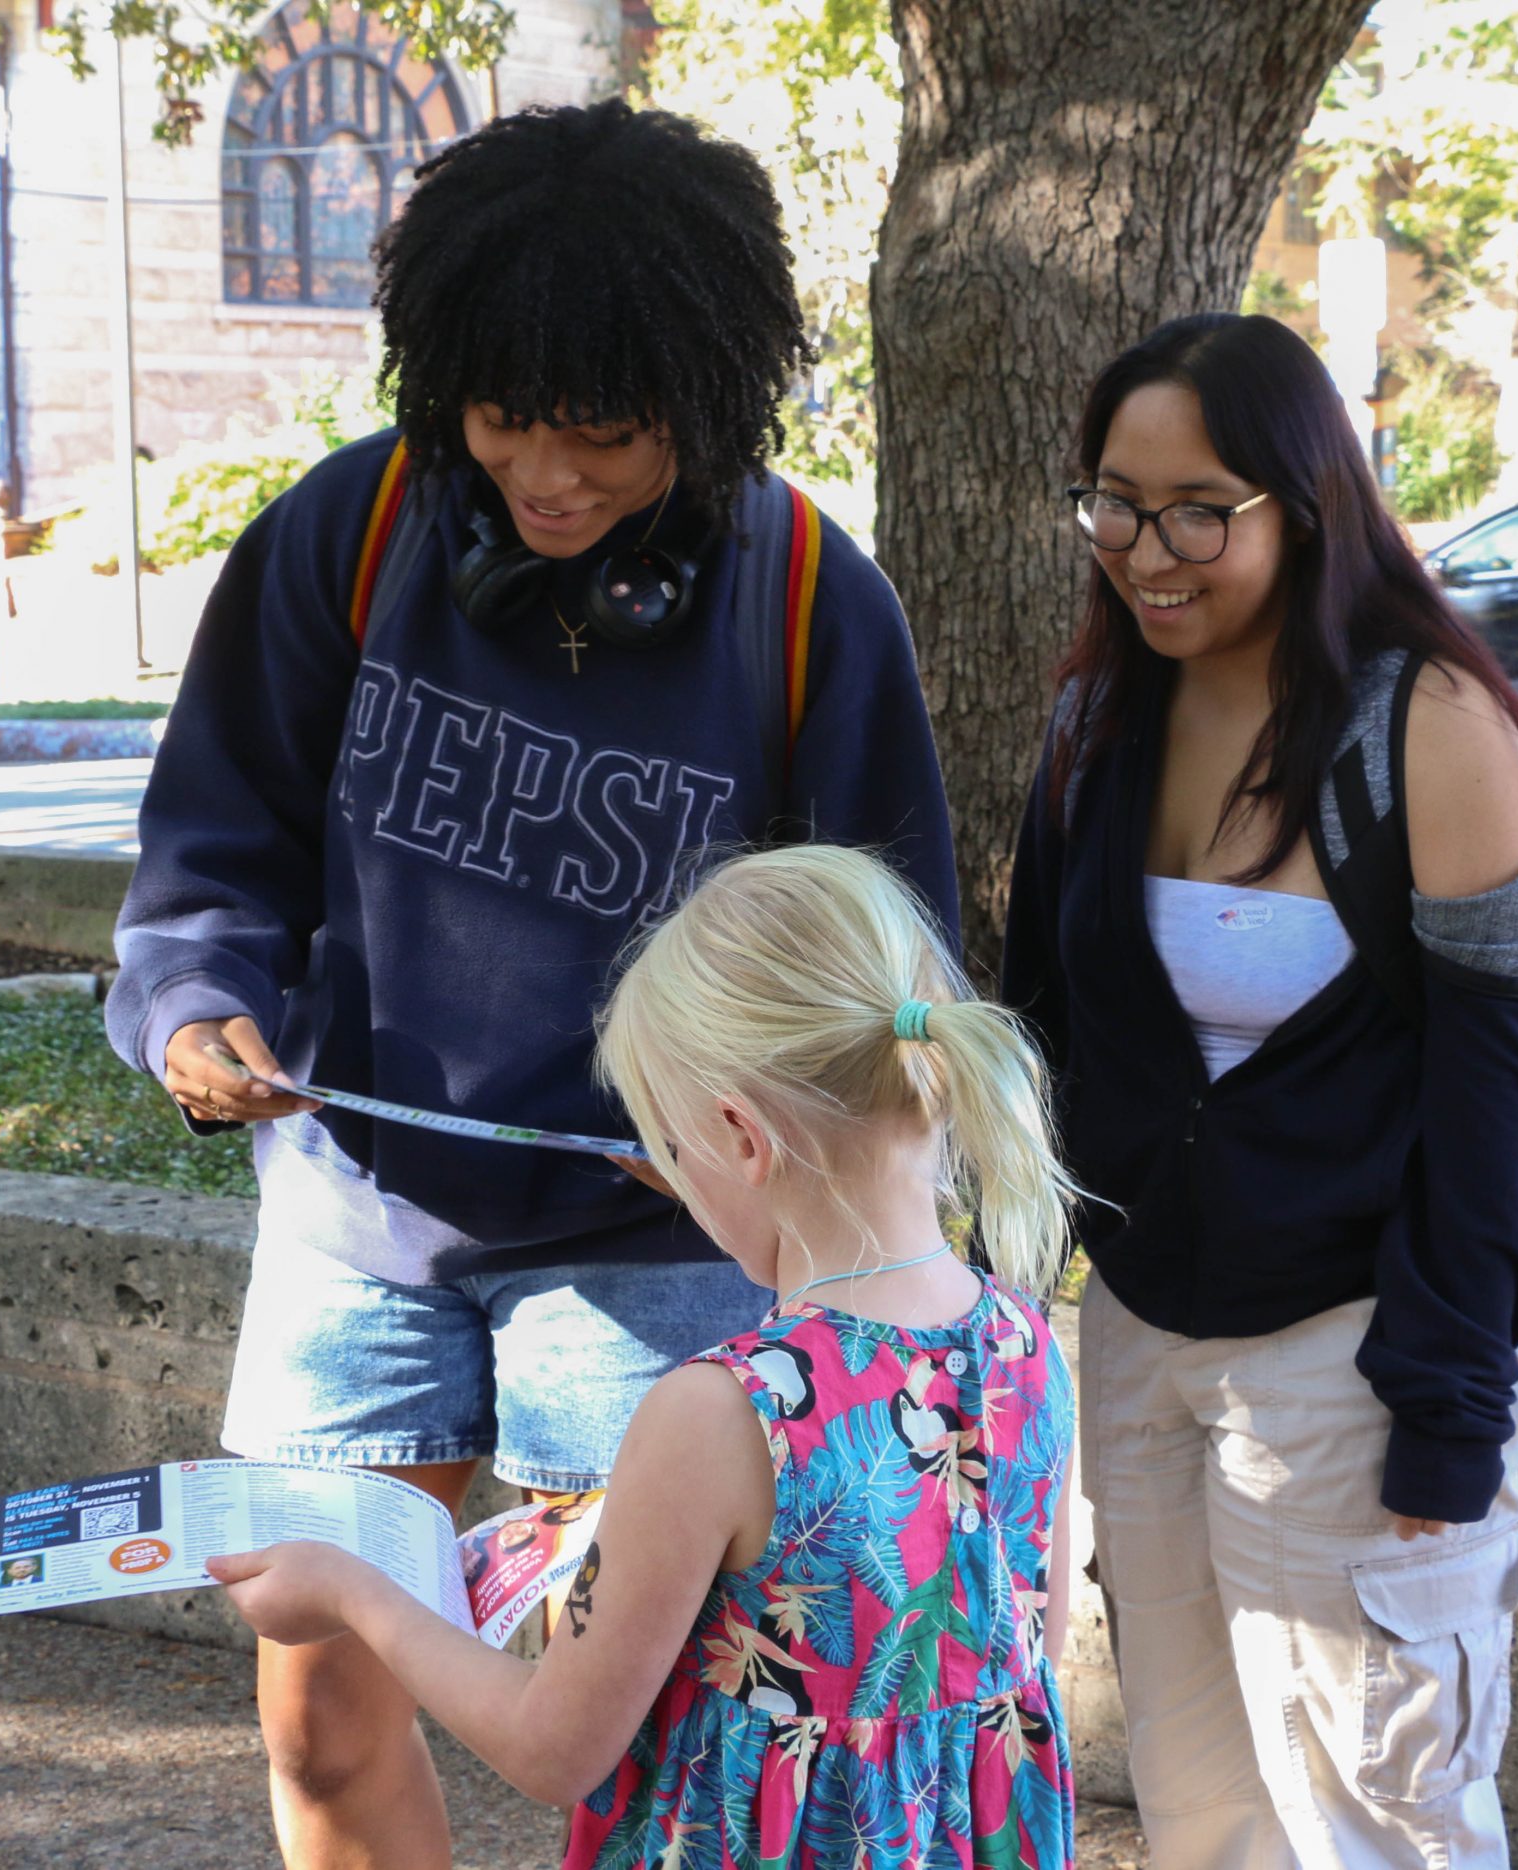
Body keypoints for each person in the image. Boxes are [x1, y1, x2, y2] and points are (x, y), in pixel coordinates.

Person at [102, 100, 959, 1867]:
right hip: (358, 1226)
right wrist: (194, 1008)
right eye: (505, 427)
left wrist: (764, 1151)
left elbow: (884, 973)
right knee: (316, 1681)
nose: (548, 480)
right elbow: (212, 847)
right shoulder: (344, 537)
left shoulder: (808, 601)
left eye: (607, 438)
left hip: (655, 1258)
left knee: (643, 1736)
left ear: (704, 407)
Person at [1000, 311, 1518, 1867]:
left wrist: (1453, 1411)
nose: (1148, 547)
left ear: (1305, 503)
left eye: (1203, 506)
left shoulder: (1432, 730)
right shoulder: (1095, 722)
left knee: (1378, 1817)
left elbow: (1513, 1107)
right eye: (1115, 501)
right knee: (1200, 1809)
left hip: (1362, 1347)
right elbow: (1042, 1033)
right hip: (1143, 1330)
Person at [209, 844, 1079, 1868]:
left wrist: (351, 1589)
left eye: (667, 1146)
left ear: (741, 1137)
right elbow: (1026, 1656)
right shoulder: (1021, 1338)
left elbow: (551, 1747)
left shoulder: (723, 1407)